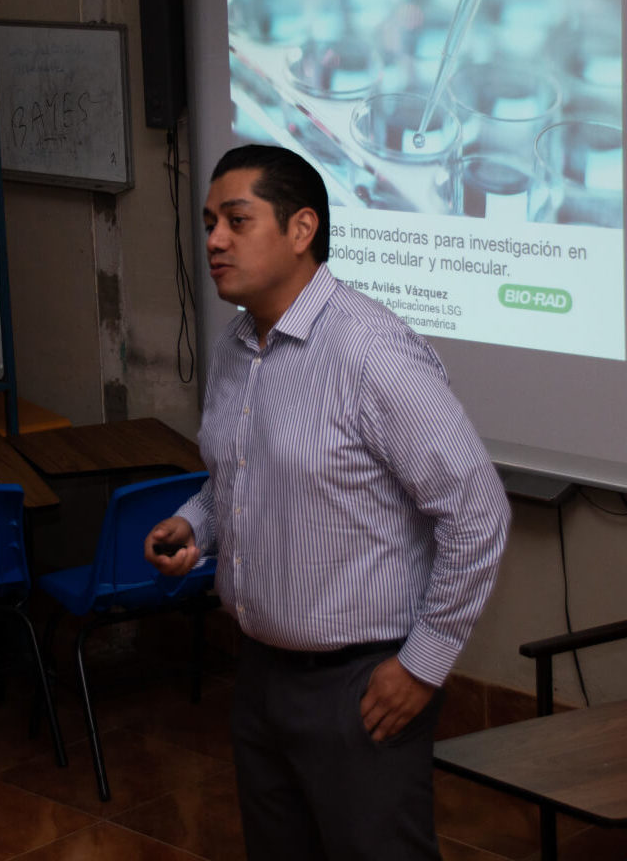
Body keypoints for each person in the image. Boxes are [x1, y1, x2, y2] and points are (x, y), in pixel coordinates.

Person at [145, 143, 510, 860]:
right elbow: (241, 472)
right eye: (210, 222)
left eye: (237, 221)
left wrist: (422, 665)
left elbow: (478, 512)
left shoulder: (372, 352)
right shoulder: (235, 348)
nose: (214, 240)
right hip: (259, 673)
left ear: (302, 228)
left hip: (360, 685)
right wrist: (195, 524)